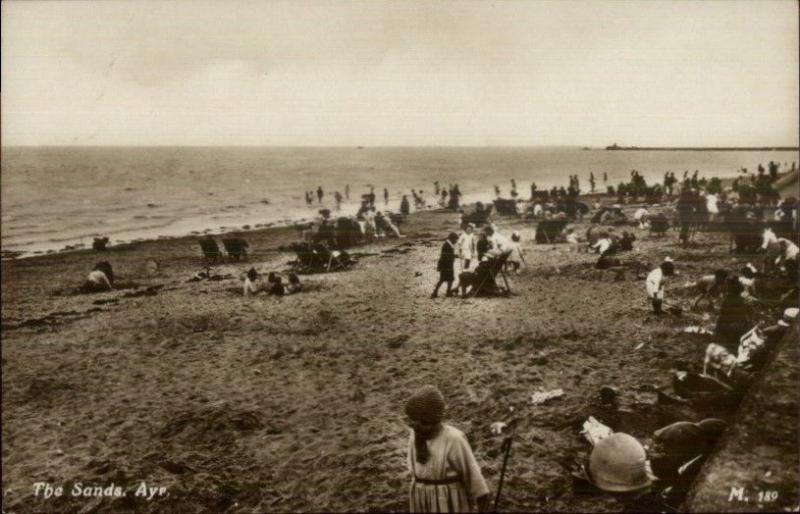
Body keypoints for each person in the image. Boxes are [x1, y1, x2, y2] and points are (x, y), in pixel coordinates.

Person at [405, 385, 490, 513]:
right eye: (414, 422)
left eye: (424, 423)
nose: (418, 427)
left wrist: (483, 508)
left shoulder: (454, 439)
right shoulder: (416, 435)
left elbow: (475, 479)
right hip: (422, 502)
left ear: (435, 421)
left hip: (449, 504)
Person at [715, 275, 753, 350]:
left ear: (728, 288)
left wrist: (718, 331)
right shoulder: (743, 300)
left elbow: (722, 317)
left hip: (731, 329)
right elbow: (750, 312)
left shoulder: (727, 301)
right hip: (743, 326)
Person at [432, 233, 459, 298]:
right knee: (443, 279)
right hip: (445, 265)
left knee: (450, 279)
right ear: (452, 239)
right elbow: (445, 255)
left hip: (448, 265)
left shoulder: (449, 244)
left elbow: (448, 254)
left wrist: (456, 256)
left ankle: (447, 292)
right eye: (455, 240)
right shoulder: (446, 245)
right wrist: (455, 256)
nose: (456, 241)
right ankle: (435, 293)